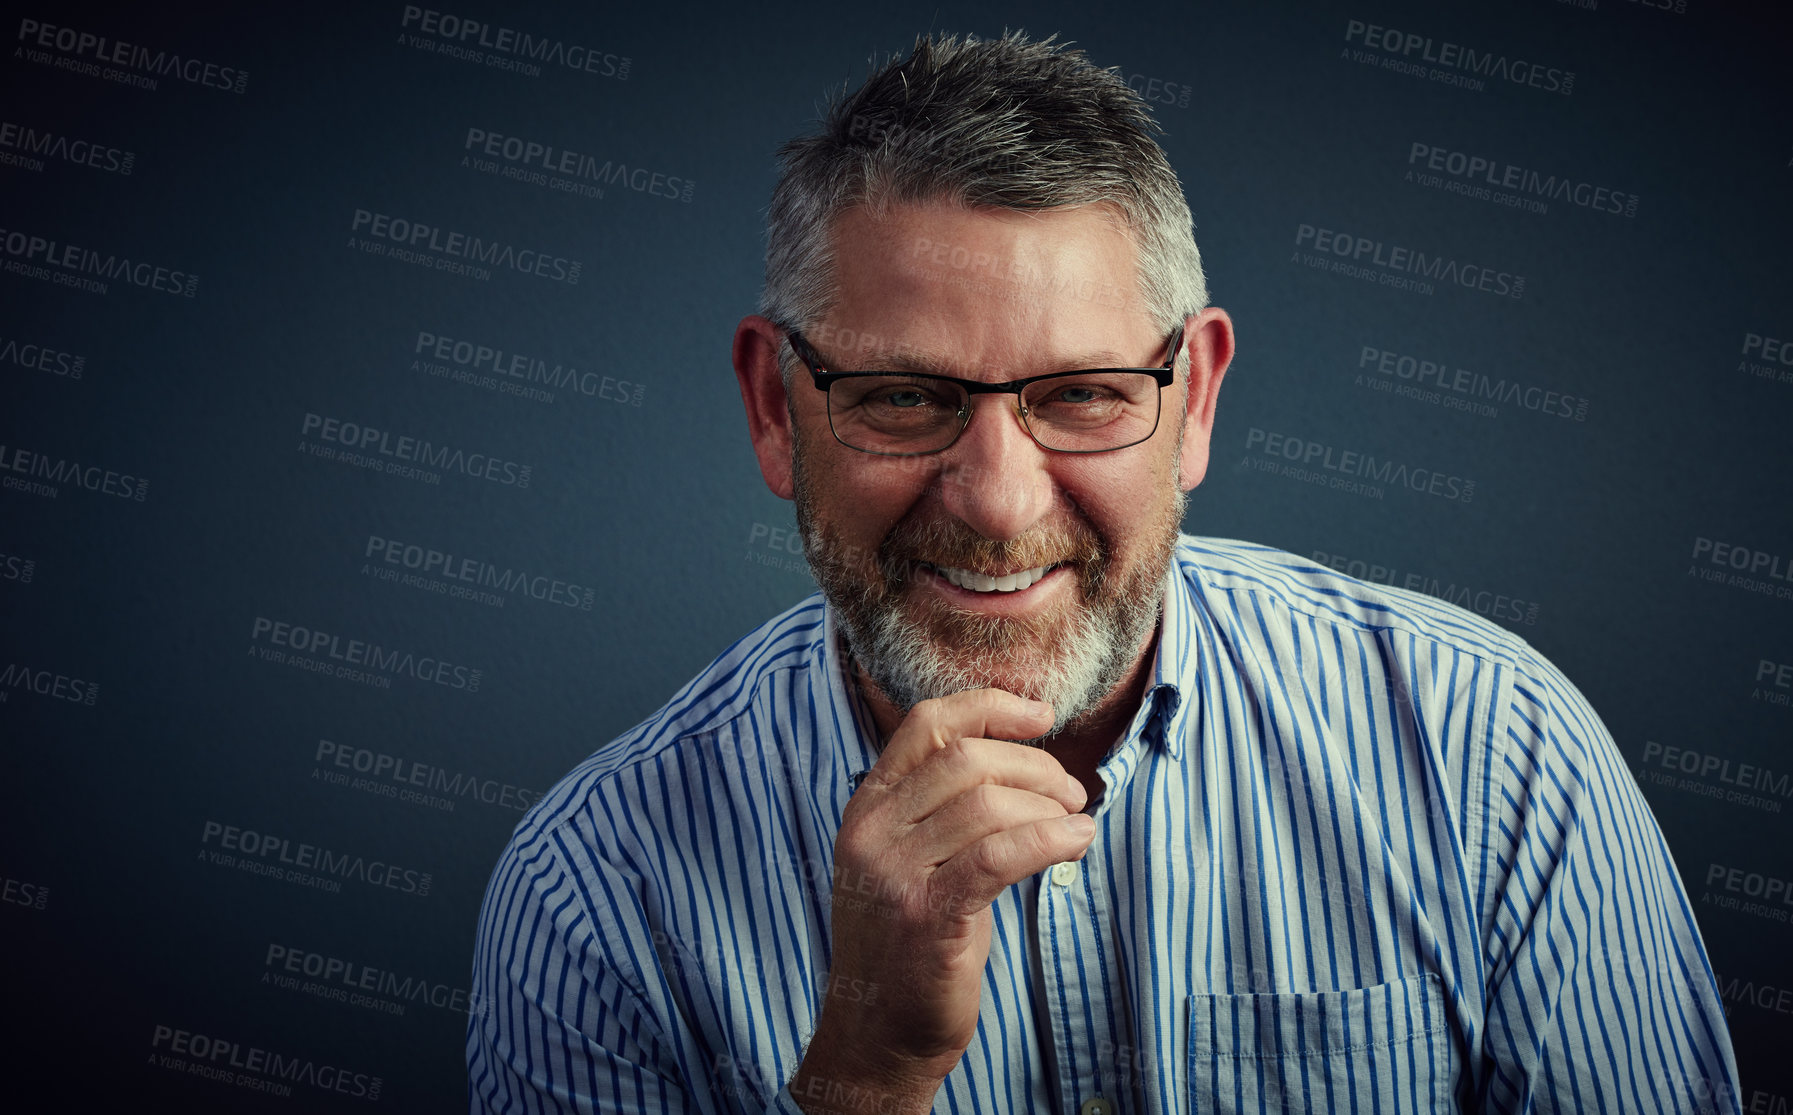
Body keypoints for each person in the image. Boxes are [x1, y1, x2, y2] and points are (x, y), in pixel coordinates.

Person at [467, 31, 1741, 1115]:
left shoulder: (1489, 754)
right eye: (903, 396)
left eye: (1079, 394)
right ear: (771, 405)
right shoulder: (596, 893)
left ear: (1192, 402)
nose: (997, 499)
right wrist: (866, 1072)